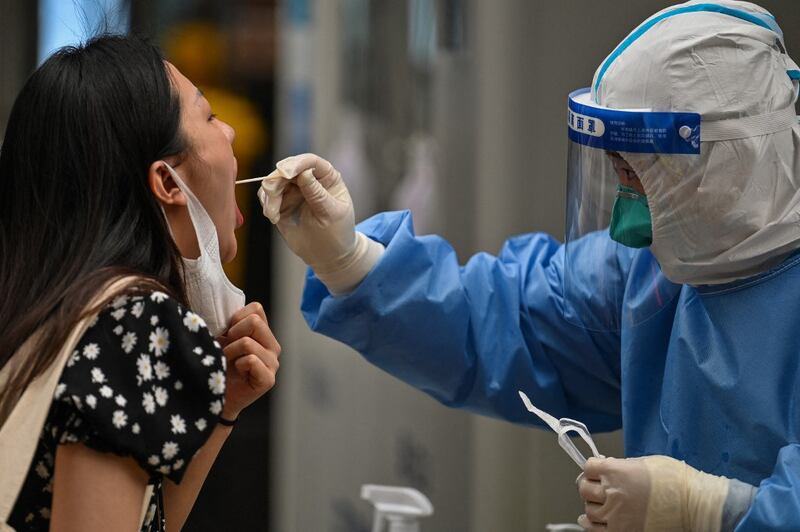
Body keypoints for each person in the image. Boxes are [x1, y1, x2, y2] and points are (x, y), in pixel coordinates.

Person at [258, 1, 800, 530]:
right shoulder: (652, 269)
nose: (623, 224)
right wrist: (353, 261)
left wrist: (707, 511)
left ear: (724, 167)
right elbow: (515, 320)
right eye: (618, 178)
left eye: (638, 179)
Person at [0, 35, 280, 531]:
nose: (232, 133)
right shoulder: (137, 321)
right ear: (168, 183)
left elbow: (139, 519)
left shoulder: (55, 308)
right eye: (210, 117)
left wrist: (224, 405)